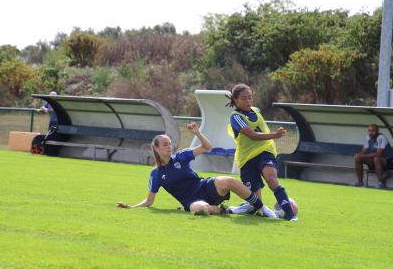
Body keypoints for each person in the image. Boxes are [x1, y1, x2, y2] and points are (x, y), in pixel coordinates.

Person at [116, 122, 277, 217]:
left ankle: (261, 207)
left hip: (205, 186)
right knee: (200, 209)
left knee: (229, 181)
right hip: (190, 201)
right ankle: (228, 211)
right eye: (165, 145)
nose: (169, 147)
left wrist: (197, 132)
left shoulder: (181, 156)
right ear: (156, 149)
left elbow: (207, 147)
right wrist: (131, 207)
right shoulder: (156, 174)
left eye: (170, 144)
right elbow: (149, 200)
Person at [225, 83, 297, 221]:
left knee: (271, 179)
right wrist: (274, 135)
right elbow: (252, 135)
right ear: (235, 100)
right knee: (255, 201)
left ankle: (291, 215)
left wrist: (273, 136)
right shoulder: (235, 117)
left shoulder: (256, 110)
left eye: (250, 97)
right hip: (246, 158)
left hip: (265, 150)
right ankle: (241, 208)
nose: (248, 101)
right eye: (244, 98)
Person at [354, 124, 393, 189]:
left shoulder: (381, 137)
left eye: (373, 131)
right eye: (369, 131)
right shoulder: (367, 137)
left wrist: (362, 156)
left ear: (377, 131)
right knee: (357, 158)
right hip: (375, 161)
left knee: (376, 159)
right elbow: (363, 150)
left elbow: (378, 154)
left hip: (388, 162)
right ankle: (359, 182)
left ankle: (380, 183)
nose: (370, 132)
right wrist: (359, 155)